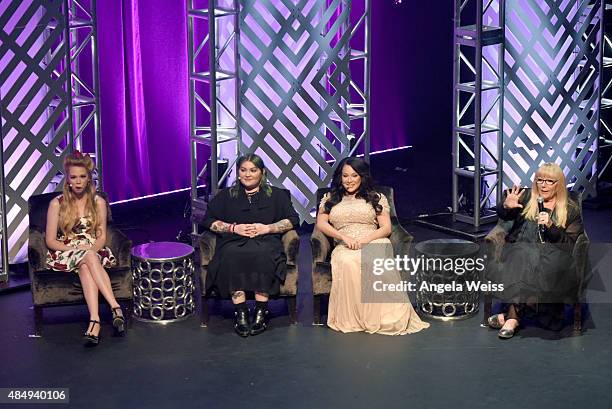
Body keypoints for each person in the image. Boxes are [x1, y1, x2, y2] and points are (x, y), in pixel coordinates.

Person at [315, 157, 429, 335]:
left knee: (372, 258)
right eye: (345, 176)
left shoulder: (375, 197)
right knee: (347, 261)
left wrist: (365, 240)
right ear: (340, 177)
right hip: (345, 242)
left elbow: (386, 227)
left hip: (373, 238)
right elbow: (321, 224)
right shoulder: (330, 198)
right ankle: (355, 318)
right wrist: (343, 237)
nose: (349, 180)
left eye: (354, 175)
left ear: (362, 177)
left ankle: (383, 317)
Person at [202, 154, 299, 337]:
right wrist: (233, 228)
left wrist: (268, 228)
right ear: (238, 173)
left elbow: (293, 219)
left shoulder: (277, 195)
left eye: (253, 170)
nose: (247, 175)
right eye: (243, 170)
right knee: (231, 254)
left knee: (263, 253)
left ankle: (261, 311)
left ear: (262, 173)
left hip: (266, 241)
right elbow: (207, 220)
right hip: (233, 241)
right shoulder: (226, 196)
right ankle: (241, 312)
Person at [487, 162, 584, 339]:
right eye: (540, 180)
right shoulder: (526, 199)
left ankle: (509, 315)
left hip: (553, 254)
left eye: (549, 181)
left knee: (553, 325)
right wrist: (506, 206)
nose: (544, 185)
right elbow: (504, 216)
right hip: (522, 249)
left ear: (559, 184)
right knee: (522, 255)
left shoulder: (570, 210)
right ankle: (512, 318)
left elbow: (569, 244)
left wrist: (551, 226)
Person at [45, 151, 124, 346]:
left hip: (93, 250)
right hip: (66, 251)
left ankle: (94, 321)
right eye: (73, 177)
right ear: (67, 179)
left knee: (86, 264)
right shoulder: (57, 204)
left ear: (89, 178)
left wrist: (91, 251)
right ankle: (115, 307)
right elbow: (50, 241)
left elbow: (102, 236)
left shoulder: (99, 202)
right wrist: (75, 248)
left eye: (82, 177)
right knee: (86, 258)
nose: (78, 181)